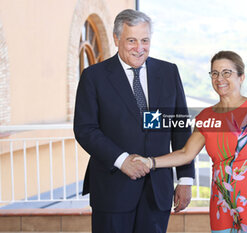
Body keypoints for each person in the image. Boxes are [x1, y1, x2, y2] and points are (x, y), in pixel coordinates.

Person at [134, 51, 247, 233]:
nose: (219, 78)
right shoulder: (206, 117)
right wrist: (150, 162)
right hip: (221, 200)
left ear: (241, 77)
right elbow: (185, 153)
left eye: (226, 72)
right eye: (214, 73)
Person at [73, 9, 195, 233]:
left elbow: (180, 128)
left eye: (145, 40)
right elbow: (85, 130)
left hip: (157, 191)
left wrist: (185, 179)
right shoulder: (94, 77)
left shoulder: (168, 72)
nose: (139, 48)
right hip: (112, 189)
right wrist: (122, 160)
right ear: (117, 38)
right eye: (132, 40)